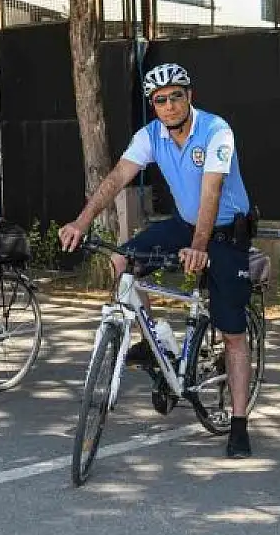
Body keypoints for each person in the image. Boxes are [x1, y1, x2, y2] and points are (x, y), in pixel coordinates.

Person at [58, 62, 257, 458]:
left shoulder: (216, 130)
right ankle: (156, 341)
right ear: (154, 105)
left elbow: (211, 191)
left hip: (226, 233)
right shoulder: (151, 135)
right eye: (160, 100)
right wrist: (81, 221)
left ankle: (238, 424)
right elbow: (117, 178)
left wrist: (200, 247)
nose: (168, 105)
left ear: (189, 97)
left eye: (175, 97)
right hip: (186, 225)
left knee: (232, 333)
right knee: (122, 262)